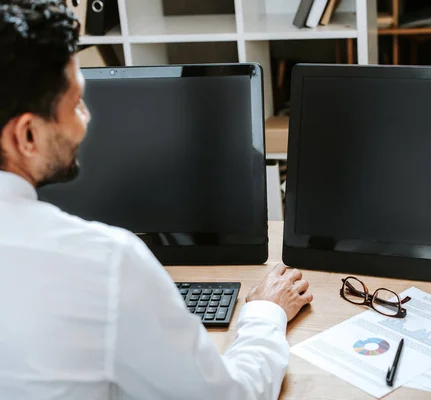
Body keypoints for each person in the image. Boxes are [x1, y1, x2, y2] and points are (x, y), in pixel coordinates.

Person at [0, 1, 313, 399]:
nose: (88, 118)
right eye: (76, 104)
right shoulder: (106, 263)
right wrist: (266, 313)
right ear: (26, 136)